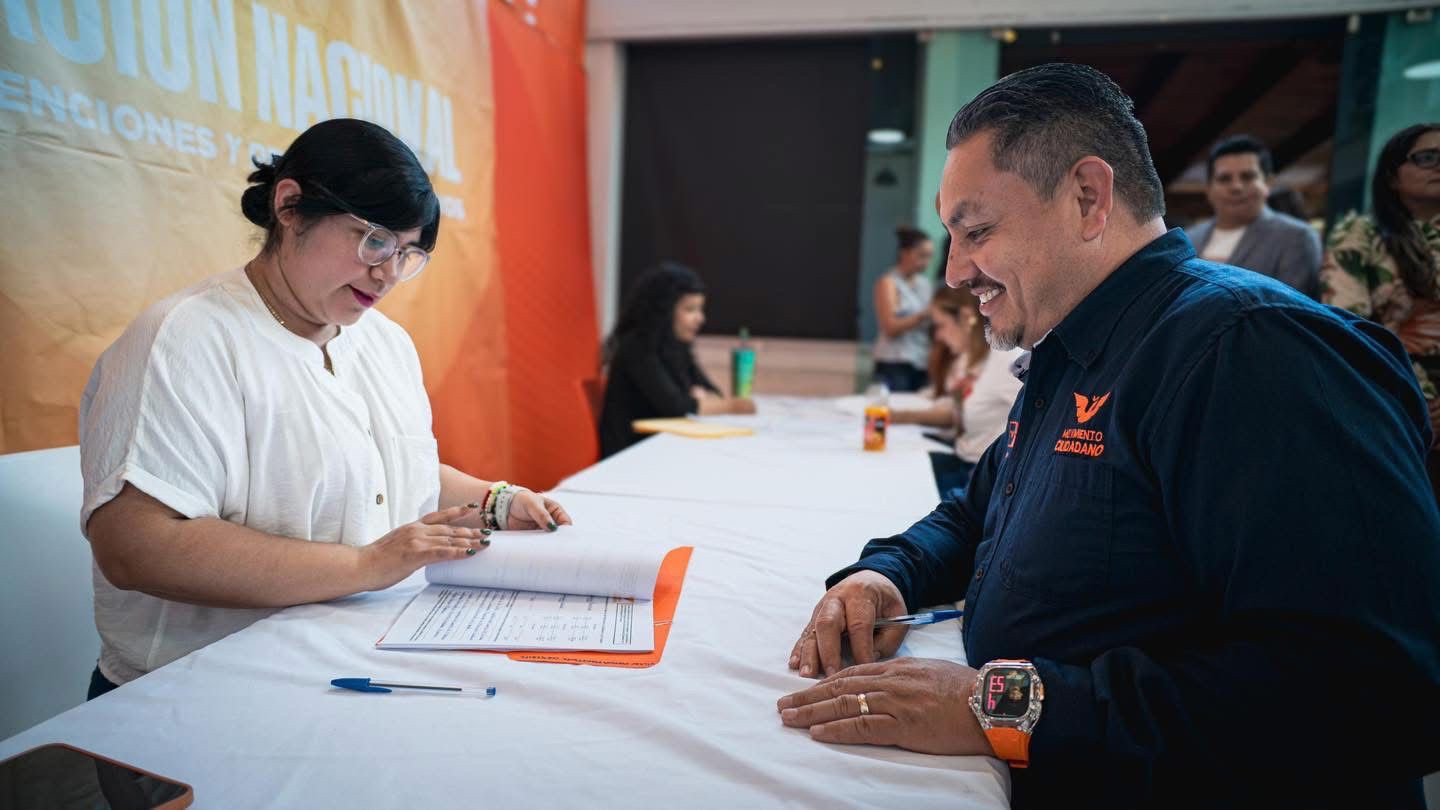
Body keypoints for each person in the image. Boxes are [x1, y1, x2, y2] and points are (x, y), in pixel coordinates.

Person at [777, 64, 1440, 808]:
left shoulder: (1251, 350)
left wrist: (998, 706)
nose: (956, 272)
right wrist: (888, 574)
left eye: (978, 232)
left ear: (1089, 198)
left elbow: (1371, 687)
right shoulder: (1073, 352)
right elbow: (979, 511)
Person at [79, 119, 572, 699]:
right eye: (373, 241)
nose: (388, 274)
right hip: (195, 690)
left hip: (348, 664)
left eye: (407, 253)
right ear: (290, 206)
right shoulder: (183, 341)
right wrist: (366, 565)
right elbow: (136, 548)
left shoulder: (384, 342)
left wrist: (491, 502)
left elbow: (385, 469)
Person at [1322, 123, 1440, 503]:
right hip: (1396, 397)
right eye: (1427, 157)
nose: (1438, 165)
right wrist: (1420, 401)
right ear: (1392, 175)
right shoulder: (1360, 235)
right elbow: (1344, 329)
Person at [598, 262, 755, 458]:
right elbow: (677, 407)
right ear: (663, 311)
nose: (700, 319)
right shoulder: (637, 347)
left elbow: (712, 392)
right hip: (629, 455)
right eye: (690, 310)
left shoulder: (677, 348)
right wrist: (734, 406)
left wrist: (699, 400)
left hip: (660, 447)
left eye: (700, 310)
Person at [1184, 134, 1322, 299]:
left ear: (1268, 183)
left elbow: (1291, 309)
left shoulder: (1297, 237)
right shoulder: (1189, 238)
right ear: (1209, 189)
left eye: (1247, 177)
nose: (1236, 187)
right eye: (1224, 179)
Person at [890, 285, 986, 428]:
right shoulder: (964, 359)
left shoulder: (998, 362)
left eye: (941, 325)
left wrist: (899, 416)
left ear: (966, 318)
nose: (938, 336)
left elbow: (957, 413)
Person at [870, 226, 935, 392]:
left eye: (929, 257)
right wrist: (924, 315)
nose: (926, 262)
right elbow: (890, 328)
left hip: (921, 362)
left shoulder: (925, 284)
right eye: (921, 255)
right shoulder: (888, 283)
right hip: (894, 363)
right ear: (904, 253)